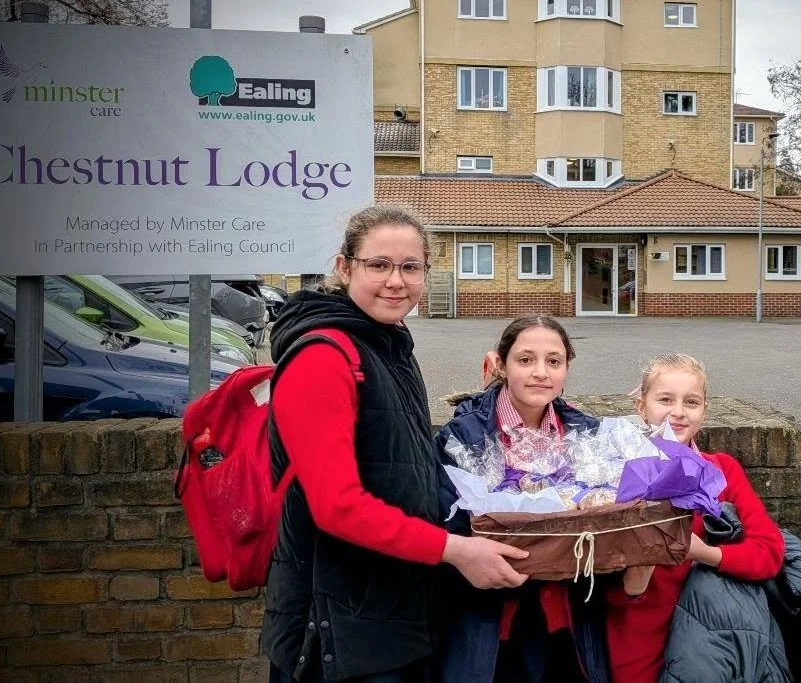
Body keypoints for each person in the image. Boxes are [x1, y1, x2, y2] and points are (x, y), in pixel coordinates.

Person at [262, 205, 529, 683]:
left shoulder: (388, 342)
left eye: (410, 267)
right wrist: (455, 551)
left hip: (395, 610)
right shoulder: (324, 359)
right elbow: (336, 506)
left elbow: (403, 468)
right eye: (378, 265)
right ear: (345, 268)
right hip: (341, 628)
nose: (396, 281)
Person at [435, 316, 612, 683]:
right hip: (491, 623)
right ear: (501, 364)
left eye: (554, 361)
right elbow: (444, 525)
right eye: (526, 359)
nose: (540, 373)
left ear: (567, 368)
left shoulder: (587, 434)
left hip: (569, 618)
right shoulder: (463, 437)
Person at [605, 353, 787, 683]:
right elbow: (599, 579)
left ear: (703, 411)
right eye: (665, 399)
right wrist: (639, 572)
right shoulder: (613, 473)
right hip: (636, 634)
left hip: (710, 634)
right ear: (641, 406)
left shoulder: (723, 471)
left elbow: (770, 552)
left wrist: (701, 552)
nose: (678, 412)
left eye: (691, 401)